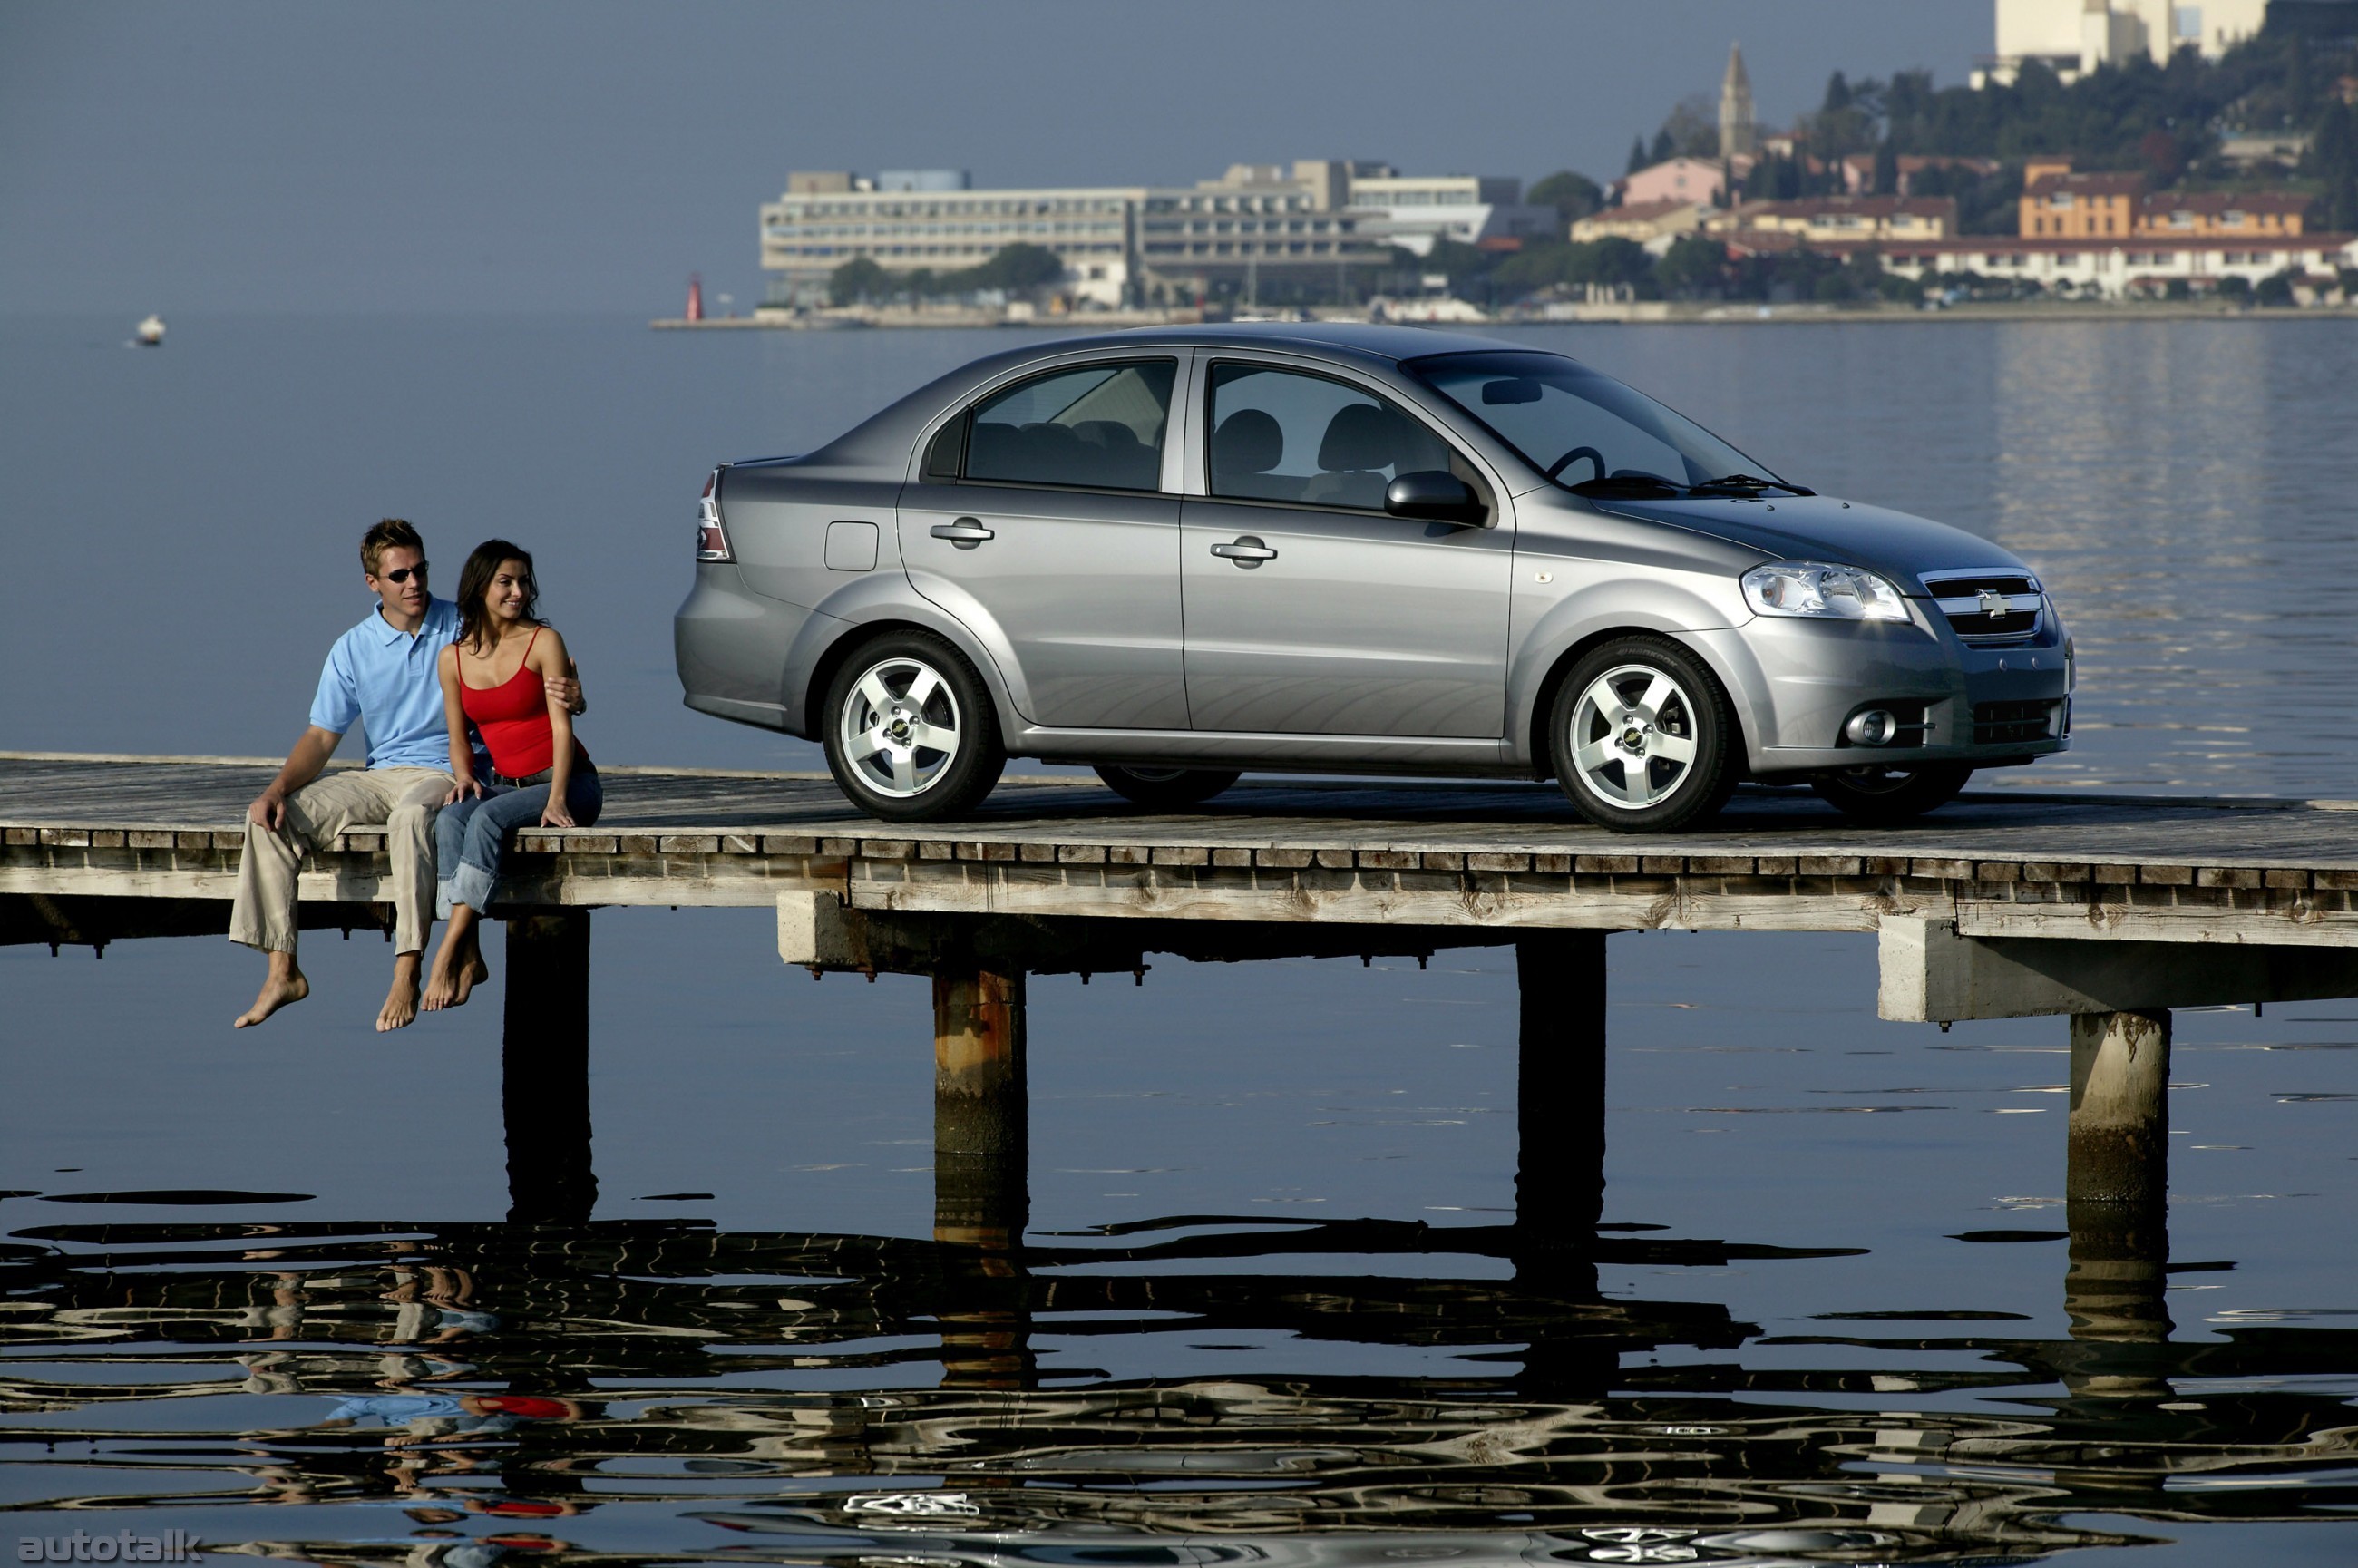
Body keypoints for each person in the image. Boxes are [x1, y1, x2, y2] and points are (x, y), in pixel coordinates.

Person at [230, 520, 582, 1032]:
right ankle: (282, 971)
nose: (414, 583)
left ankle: (407, 966)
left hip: (446, 772)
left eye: (420, 570)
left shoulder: (463, 624)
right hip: (379, 774)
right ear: (373, 582)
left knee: (411, 817)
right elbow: (322, 737)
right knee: (268, 819)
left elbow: (527, 663)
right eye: (400, 575)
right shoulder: (352, 647)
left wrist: (576, 696)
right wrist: (277, 789)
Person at [424, 541, 601, 1012]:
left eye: (523, 581)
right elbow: (458, 737)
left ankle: (446, 950)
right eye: (506, 582)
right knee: (451, 818)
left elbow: (562, 729)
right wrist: (464, 776)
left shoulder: (544, 642)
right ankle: (470, 954)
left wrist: (557, 798)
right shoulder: (452, 658)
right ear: (480, 587)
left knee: (486, 820)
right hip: (509, 785)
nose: (518, 592)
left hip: (571, 783)